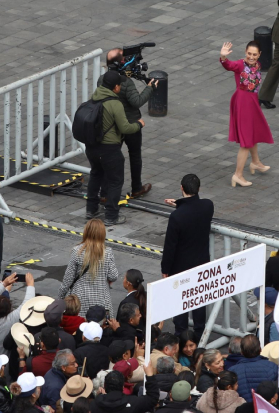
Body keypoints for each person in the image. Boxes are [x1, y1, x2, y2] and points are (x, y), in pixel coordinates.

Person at [84, 70, 144, 226]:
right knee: (115, 181)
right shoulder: (114, 103)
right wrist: (138, 124)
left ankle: (91, 209)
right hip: (109, 149)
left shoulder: (95, 96)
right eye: (119, 84)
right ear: (116, 87)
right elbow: (125, 128)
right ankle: (111, 216)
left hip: (92, 147)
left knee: (96, 174)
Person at [97, 48, 155, 199]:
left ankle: (105, 192)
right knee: (135, 155)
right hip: (131, 124)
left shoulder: (102, 80)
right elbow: (137, 102)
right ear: (121, 62)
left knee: (111, 158)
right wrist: (150, 88)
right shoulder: (126, 82)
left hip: (111, 126)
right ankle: (136, 188)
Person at [161, 174, 214, 338]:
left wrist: (165, 268)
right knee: (199, 297)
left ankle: (181, 333)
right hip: (201, 261)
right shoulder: (208, 206)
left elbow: (170, 245)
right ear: (199, 189)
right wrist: (179, 204)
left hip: (181, 265)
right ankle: (199, 333)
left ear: (181, 188)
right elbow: (195, 208)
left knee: (181, 299)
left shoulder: (177, 216)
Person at [219, 41, 274, 188]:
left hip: (252, 103)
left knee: (253, 133)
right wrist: (223, 58)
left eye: (254, 54)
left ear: (259, 55)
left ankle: (255, 162)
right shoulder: (240, 65)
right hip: (243, 104)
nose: (251, 56)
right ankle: (238, 175)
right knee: (246, 141)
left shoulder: (258, 65)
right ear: (245, 52)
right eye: (249, 53)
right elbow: (229, 65)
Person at [59, 218, 119, 317]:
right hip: (101, 298)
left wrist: (60, 299)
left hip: (80, 300)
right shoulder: (107, 252)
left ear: (86, 232)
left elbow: (67, 280)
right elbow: (113, 276)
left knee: (81, 327)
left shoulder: (77, 251)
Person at [0, 272, 35, 354]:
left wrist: (4, 283)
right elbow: (27, 305)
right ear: (8, 310)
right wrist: (30, 284)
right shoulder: (10, 320)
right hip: (2, 359)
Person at [91, 364, 159, 413]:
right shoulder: (133, 403)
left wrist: (99, 396)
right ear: (123, 387)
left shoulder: (94, 404)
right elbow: (152, 398)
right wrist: (150, 375)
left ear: (105, 386)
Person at [229, 335, 278, 400]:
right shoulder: (273, 367)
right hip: (267, 408)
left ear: (242, 352)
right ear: (260, 349)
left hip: (243, 409)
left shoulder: (232, 371)